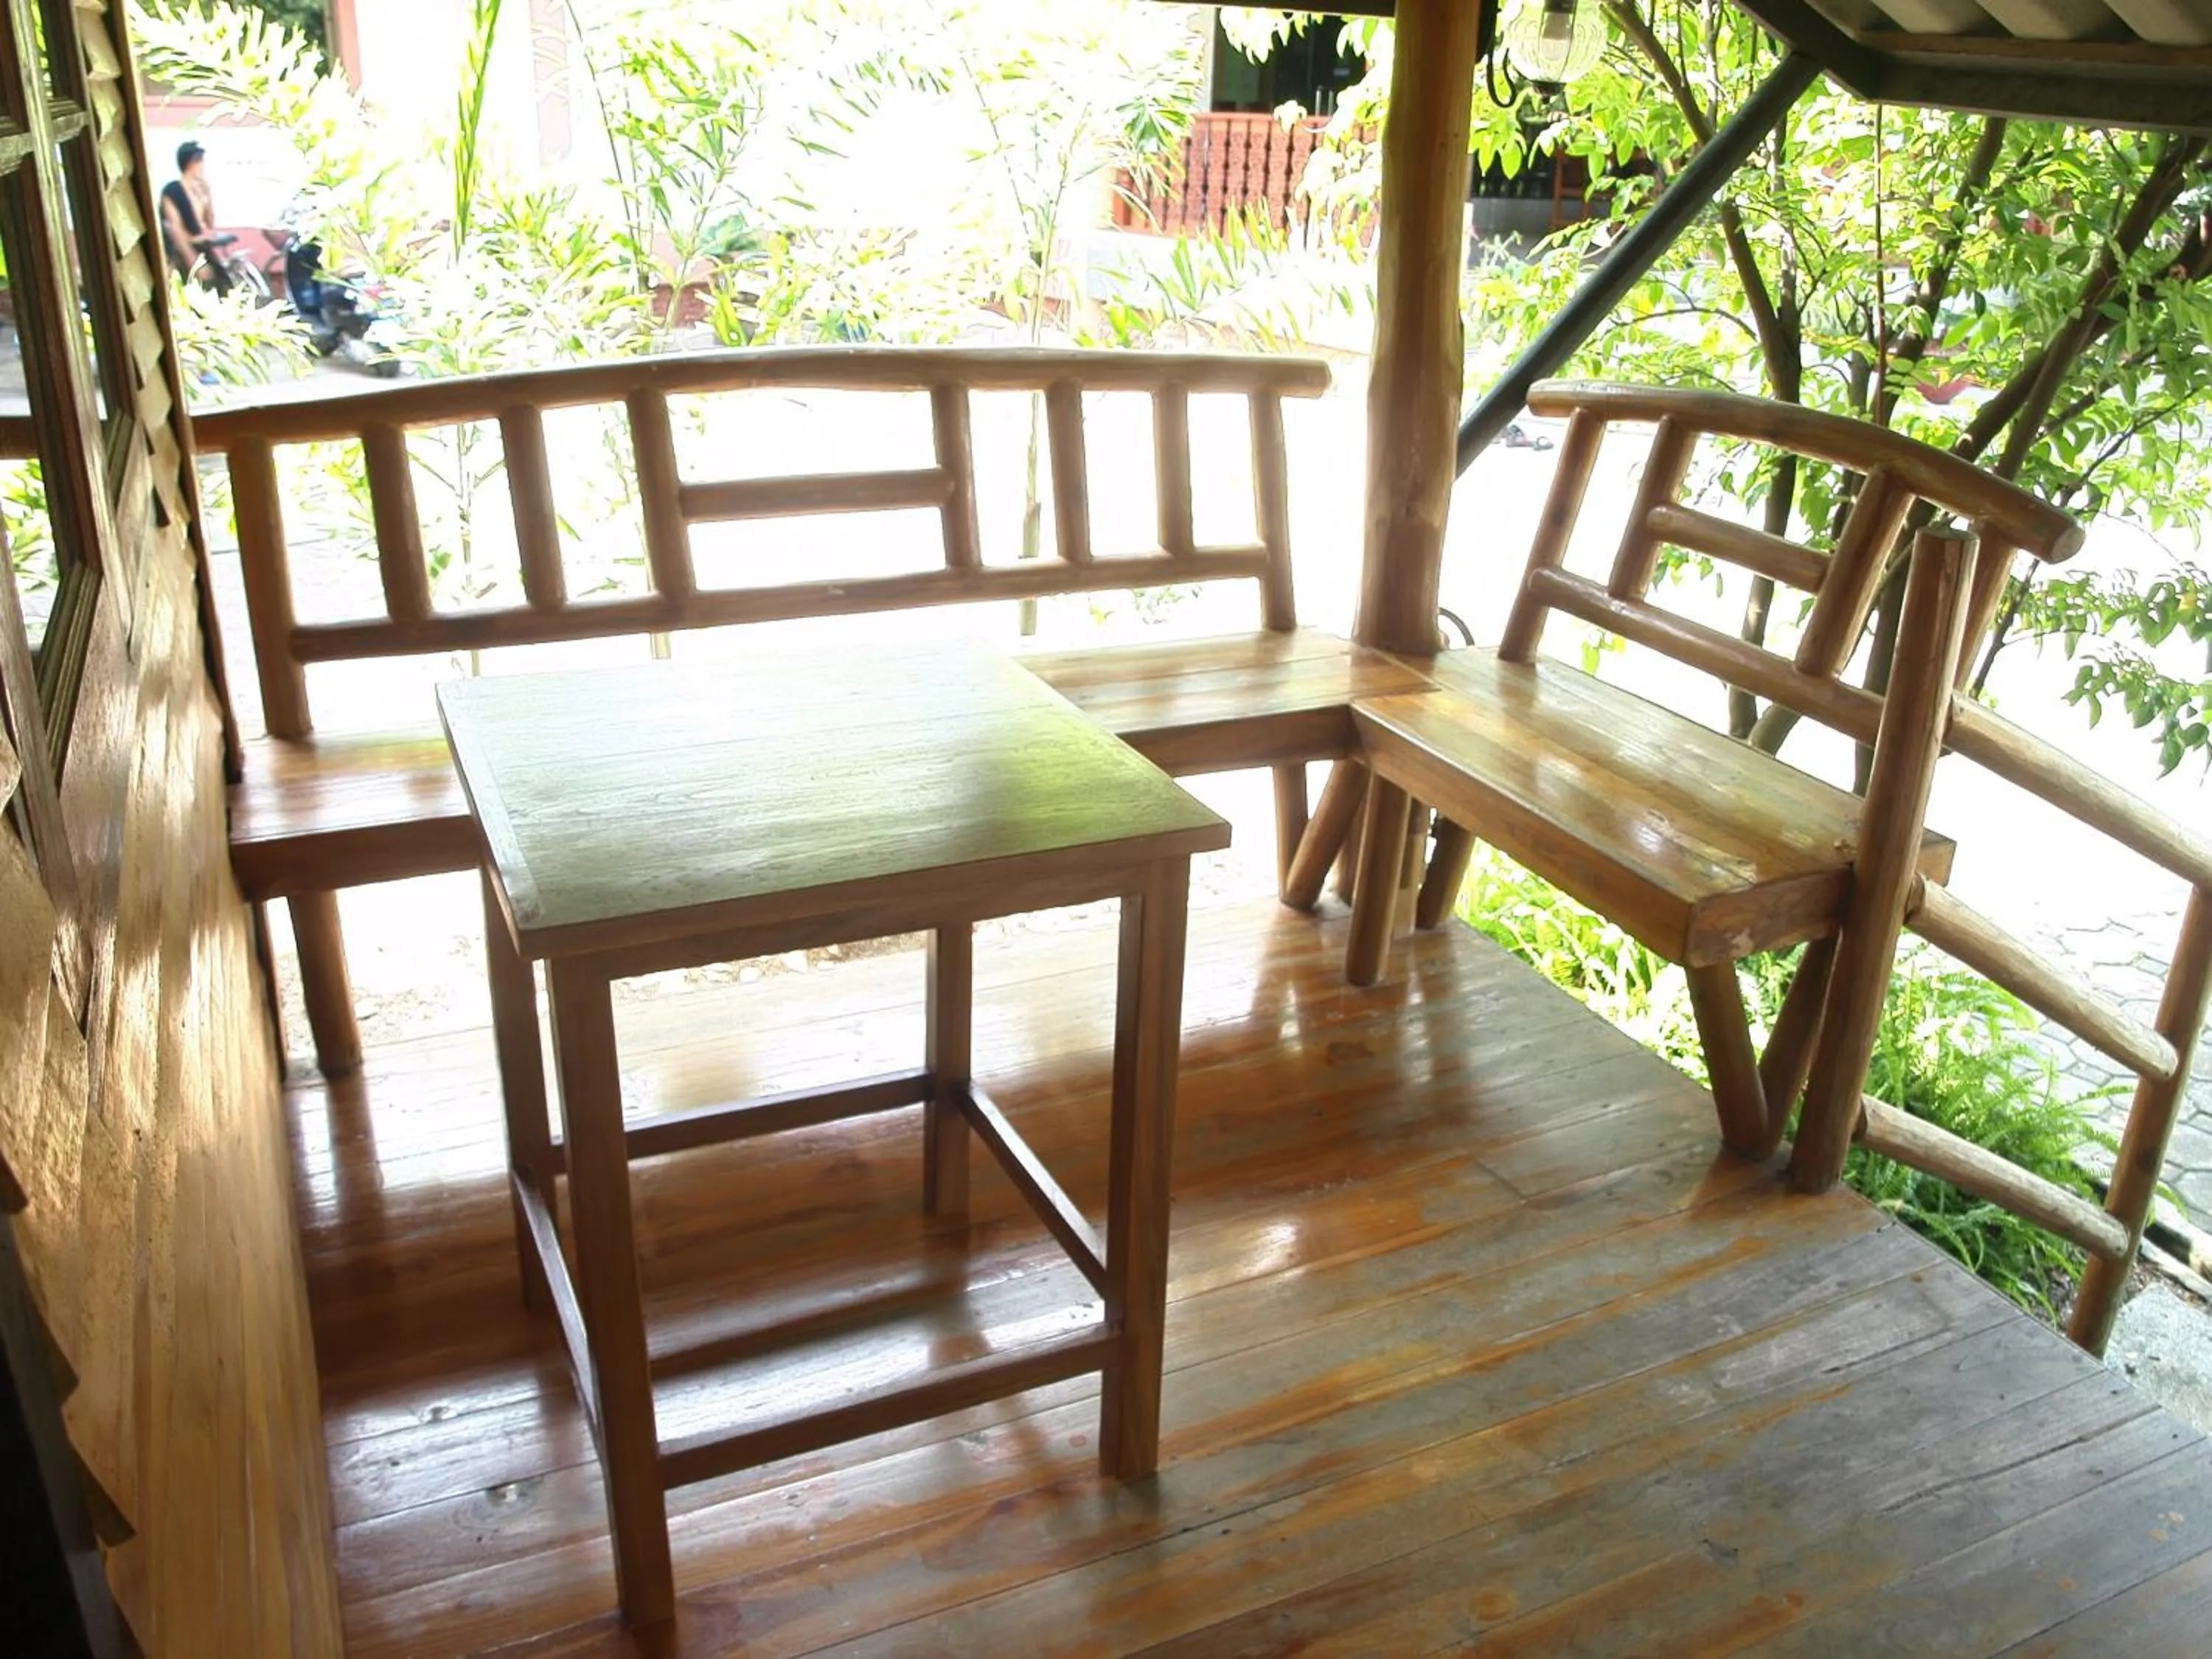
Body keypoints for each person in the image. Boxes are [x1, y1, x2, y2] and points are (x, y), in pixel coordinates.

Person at [159, 141, 230, 294]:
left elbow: (210, 223)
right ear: (192, 163)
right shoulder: (173, 191)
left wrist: (208, 195)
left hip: (201, 248)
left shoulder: (200, 189)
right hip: (184, 252)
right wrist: (193, 261)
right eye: (201, 162)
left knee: (223, 289)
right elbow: (175, 229)